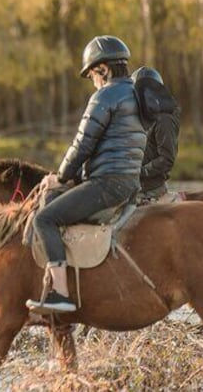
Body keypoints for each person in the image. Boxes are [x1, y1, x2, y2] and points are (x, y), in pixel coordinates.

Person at [26, 35, 147, 314]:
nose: (92, 80)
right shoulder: (136, 94)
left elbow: (82, 144)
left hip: (107, 183)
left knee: (46, 218)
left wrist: (60, 175)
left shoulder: (105, 95)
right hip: (129, 182)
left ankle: (60, 293)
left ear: (103, 69)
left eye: (92, 73)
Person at [131, 66, 181, 204]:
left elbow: (167, 159)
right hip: (134, 185)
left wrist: (139, 172)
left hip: (149, 189)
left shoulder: (164, 119)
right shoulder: (145, 116)